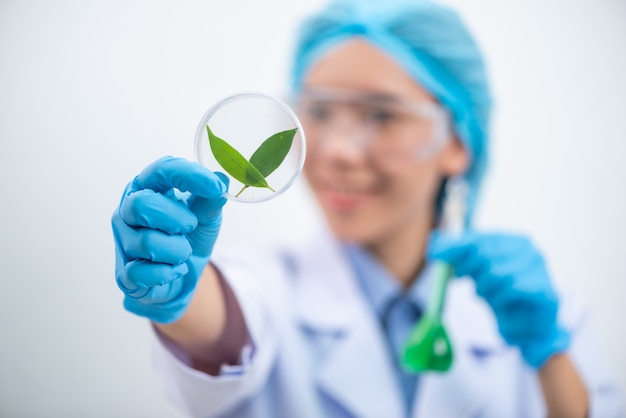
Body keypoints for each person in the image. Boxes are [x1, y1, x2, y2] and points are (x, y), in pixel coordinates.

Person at [111, 0, 624, 417]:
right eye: (319, 111)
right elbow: (222, 325)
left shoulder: (541, 312)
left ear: (457, 142)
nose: (336, 150)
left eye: (382, 114)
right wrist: (180, 292)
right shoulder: (266, 286)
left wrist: (549, 353)